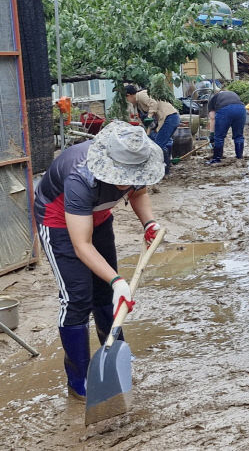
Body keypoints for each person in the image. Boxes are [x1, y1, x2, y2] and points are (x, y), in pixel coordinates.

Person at [34, 121, 164, 399]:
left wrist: (148, 223)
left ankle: (114, 352)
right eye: (122, 174)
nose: (128, 179)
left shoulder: (137, 158)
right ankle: (78, 379)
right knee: (78, 297)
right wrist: (119, 281)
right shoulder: (80, 177)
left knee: (104, 292)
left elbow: (138, 192)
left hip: (99, 216)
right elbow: (82, 245)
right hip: (58, 222)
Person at [125, 85, 180, 175]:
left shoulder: (141, 95)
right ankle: (166, 166)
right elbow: (150, 124)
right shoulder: (138, 104)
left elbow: (153, 103)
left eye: (127, 99)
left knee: (157, 146)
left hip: (170, 117)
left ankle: (164, 171)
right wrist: (147, 134)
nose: (128, 101)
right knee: (156, 143)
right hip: (168, 119)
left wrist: (149, 116)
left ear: (129, 95)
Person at [206, 85, 246, 164]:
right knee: (238, 136)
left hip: (225, 110)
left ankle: (217, 158)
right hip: (241, 109)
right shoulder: (232, 94)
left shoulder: (213, 99)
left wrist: (212, 135)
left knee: (219, 137)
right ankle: (239, 157)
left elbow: (212, 118)